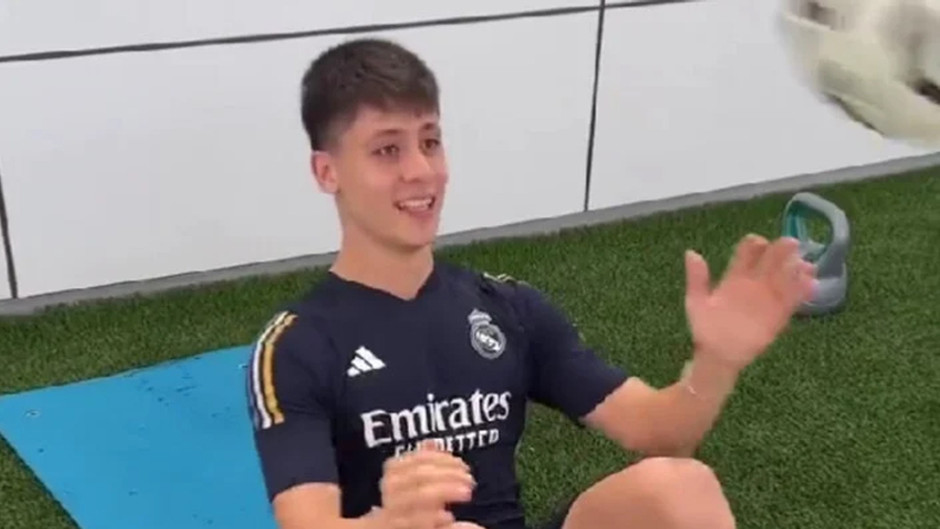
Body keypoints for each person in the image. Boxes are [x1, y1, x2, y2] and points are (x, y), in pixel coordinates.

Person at [245, 37, 817, 529]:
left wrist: (716, 362)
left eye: (430, 141)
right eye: (387, 150)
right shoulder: (297, 345)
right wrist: (387, 522)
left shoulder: (505, 309)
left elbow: (660, 434)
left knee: (680, 488)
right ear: (327, 171)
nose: (420, 170)